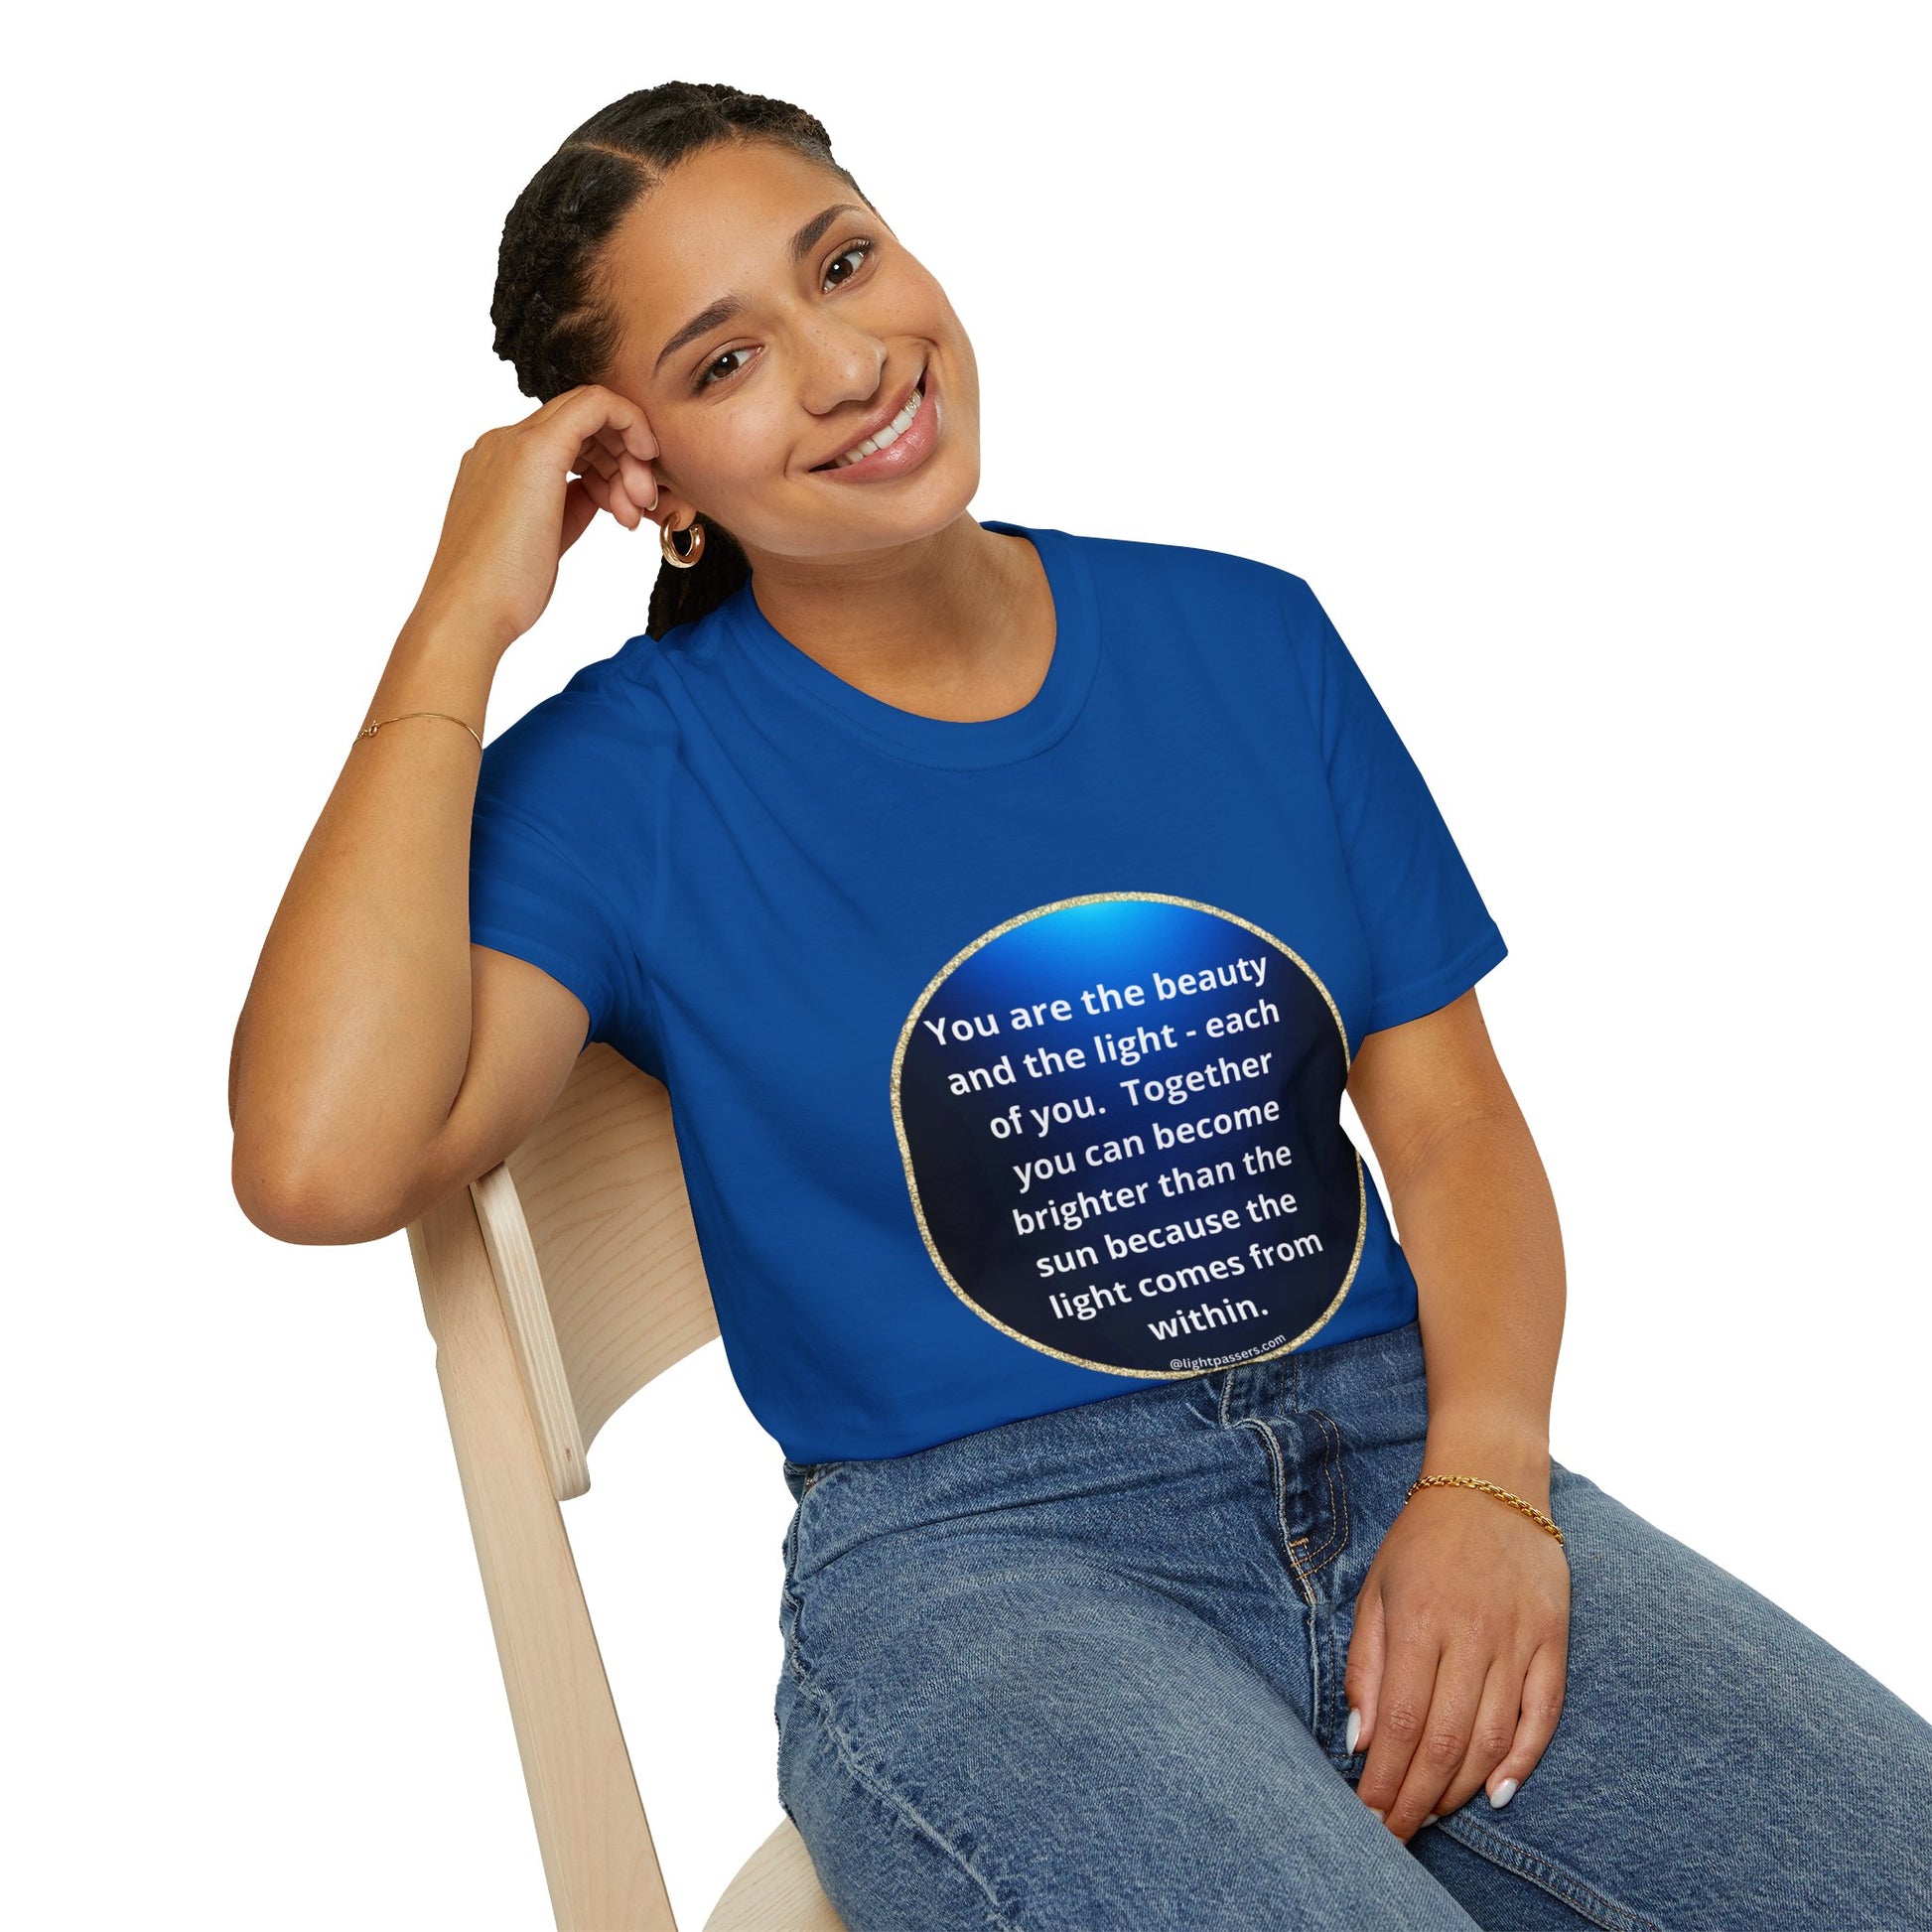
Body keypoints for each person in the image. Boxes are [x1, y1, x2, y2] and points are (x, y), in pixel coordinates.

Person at [228, 80, 1932, 1931]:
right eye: (724, 363)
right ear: (649, 482)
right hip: (984, 1568)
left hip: (1404, 1447)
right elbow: (321, 1160)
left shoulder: (1247, 638)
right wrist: (456, 619)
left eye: (845, 262)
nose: (846, 362)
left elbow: (1449, 1129)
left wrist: (1490, 1485)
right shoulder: (627, 776)